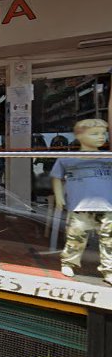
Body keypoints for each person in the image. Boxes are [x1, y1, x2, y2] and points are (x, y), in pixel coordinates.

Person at [51, 119, 112, 284]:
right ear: (79, 136)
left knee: (109, 239)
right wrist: (59, 197)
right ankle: (69, 262)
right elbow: (56, 177)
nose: (101, 137)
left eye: (103, 133)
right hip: (80, 205)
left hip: (108, 205)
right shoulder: (68, 159)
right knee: (76, 236)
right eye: (94, 134)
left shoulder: (108, 157)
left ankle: (109, 270)